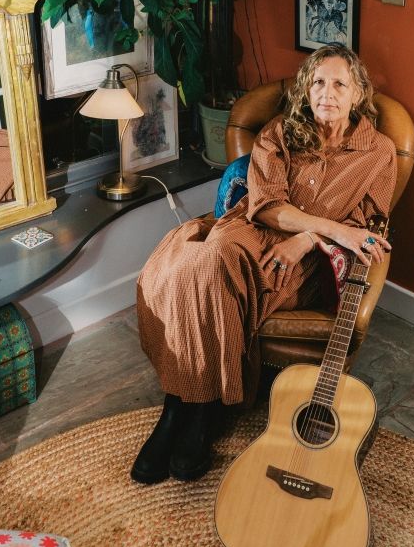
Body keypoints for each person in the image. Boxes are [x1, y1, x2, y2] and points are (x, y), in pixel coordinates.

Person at [132, 44, 396, 485]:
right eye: (317, 82)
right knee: (195, 264)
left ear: (357, 94)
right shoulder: (280, 131)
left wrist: (307, 240)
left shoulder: (379, 153)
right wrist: (322, 228)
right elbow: (268, 206)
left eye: (338, 84)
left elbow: (365, 228)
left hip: (305, 261)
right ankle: (187, 409)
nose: (326, 93)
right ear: (305, 89)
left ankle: (187, 410)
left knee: (200, 272)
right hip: (250, 229)